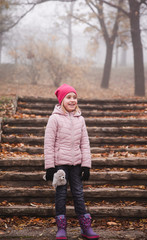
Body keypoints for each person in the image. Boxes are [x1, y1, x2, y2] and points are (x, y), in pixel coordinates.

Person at [44, 84, 99, 240]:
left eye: (74, 97)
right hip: (60, 165)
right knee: (61, 195)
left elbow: (85, 143)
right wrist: (49, 167)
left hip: (76, 163)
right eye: (69, 97)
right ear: (62, 100)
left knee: (79, 194)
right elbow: (48, 143)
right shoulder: (54, 118)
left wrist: (86, 165)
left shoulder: (80, 119)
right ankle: (61, 229)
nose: (72, 100)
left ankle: (86, 227)